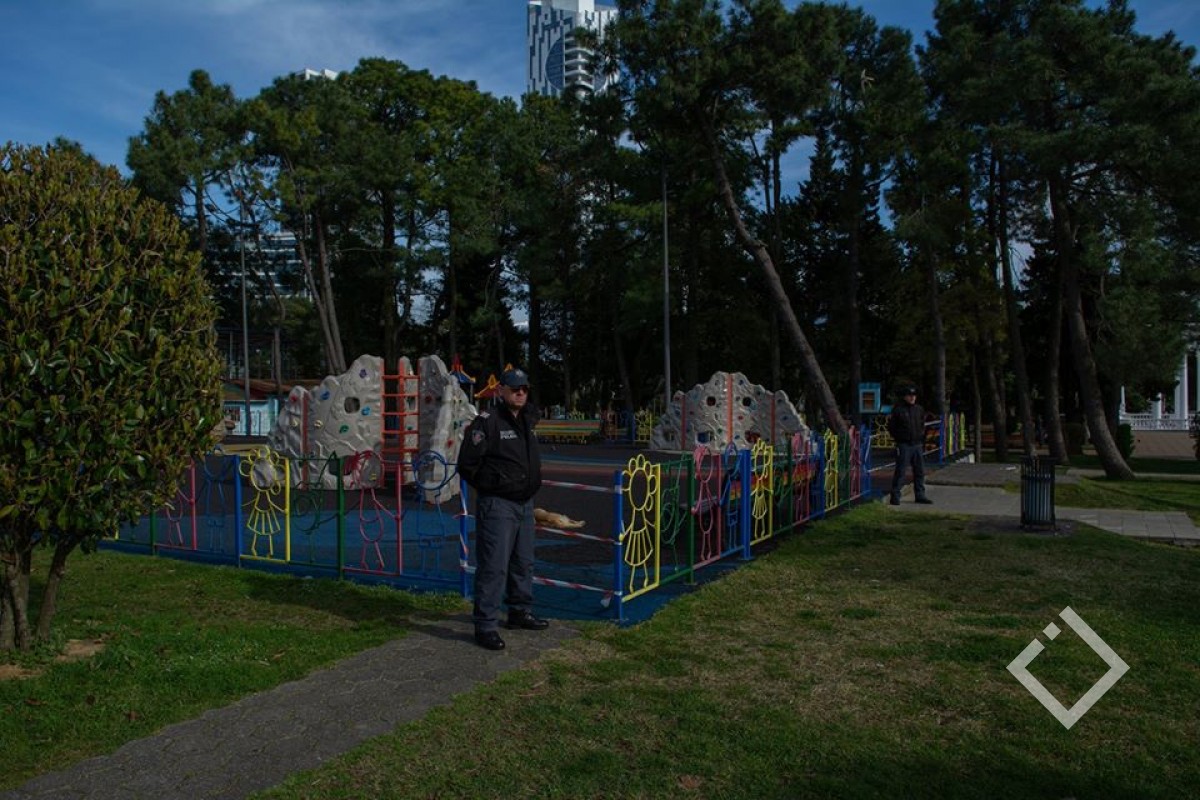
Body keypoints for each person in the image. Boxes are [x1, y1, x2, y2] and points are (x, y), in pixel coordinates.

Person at [456, 367, 549, 650]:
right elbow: (467, 465)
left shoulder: (527, 420)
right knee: (494, 567)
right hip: (498, 504)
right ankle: (485, 625)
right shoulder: (487, 422)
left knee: (523, 562)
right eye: (515, 388)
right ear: (501, 391)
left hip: (525, 503)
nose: (520, 393)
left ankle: (519, 612)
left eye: (524, 389)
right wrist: (495, 485)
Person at [887, 384, 933, 506]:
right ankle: (895, 496)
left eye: (914, 395)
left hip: (917, 444)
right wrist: (899, 438)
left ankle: (920, 494)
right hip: (904, 444)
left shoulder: (919, 409)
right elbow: (892, 427)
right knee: (901, 471)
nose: (912, 398)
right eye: (910, 395)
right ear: (905, 397)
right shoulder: (898, 410)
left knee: (919, 471)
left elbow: (922, 424)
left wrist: (921, 437)